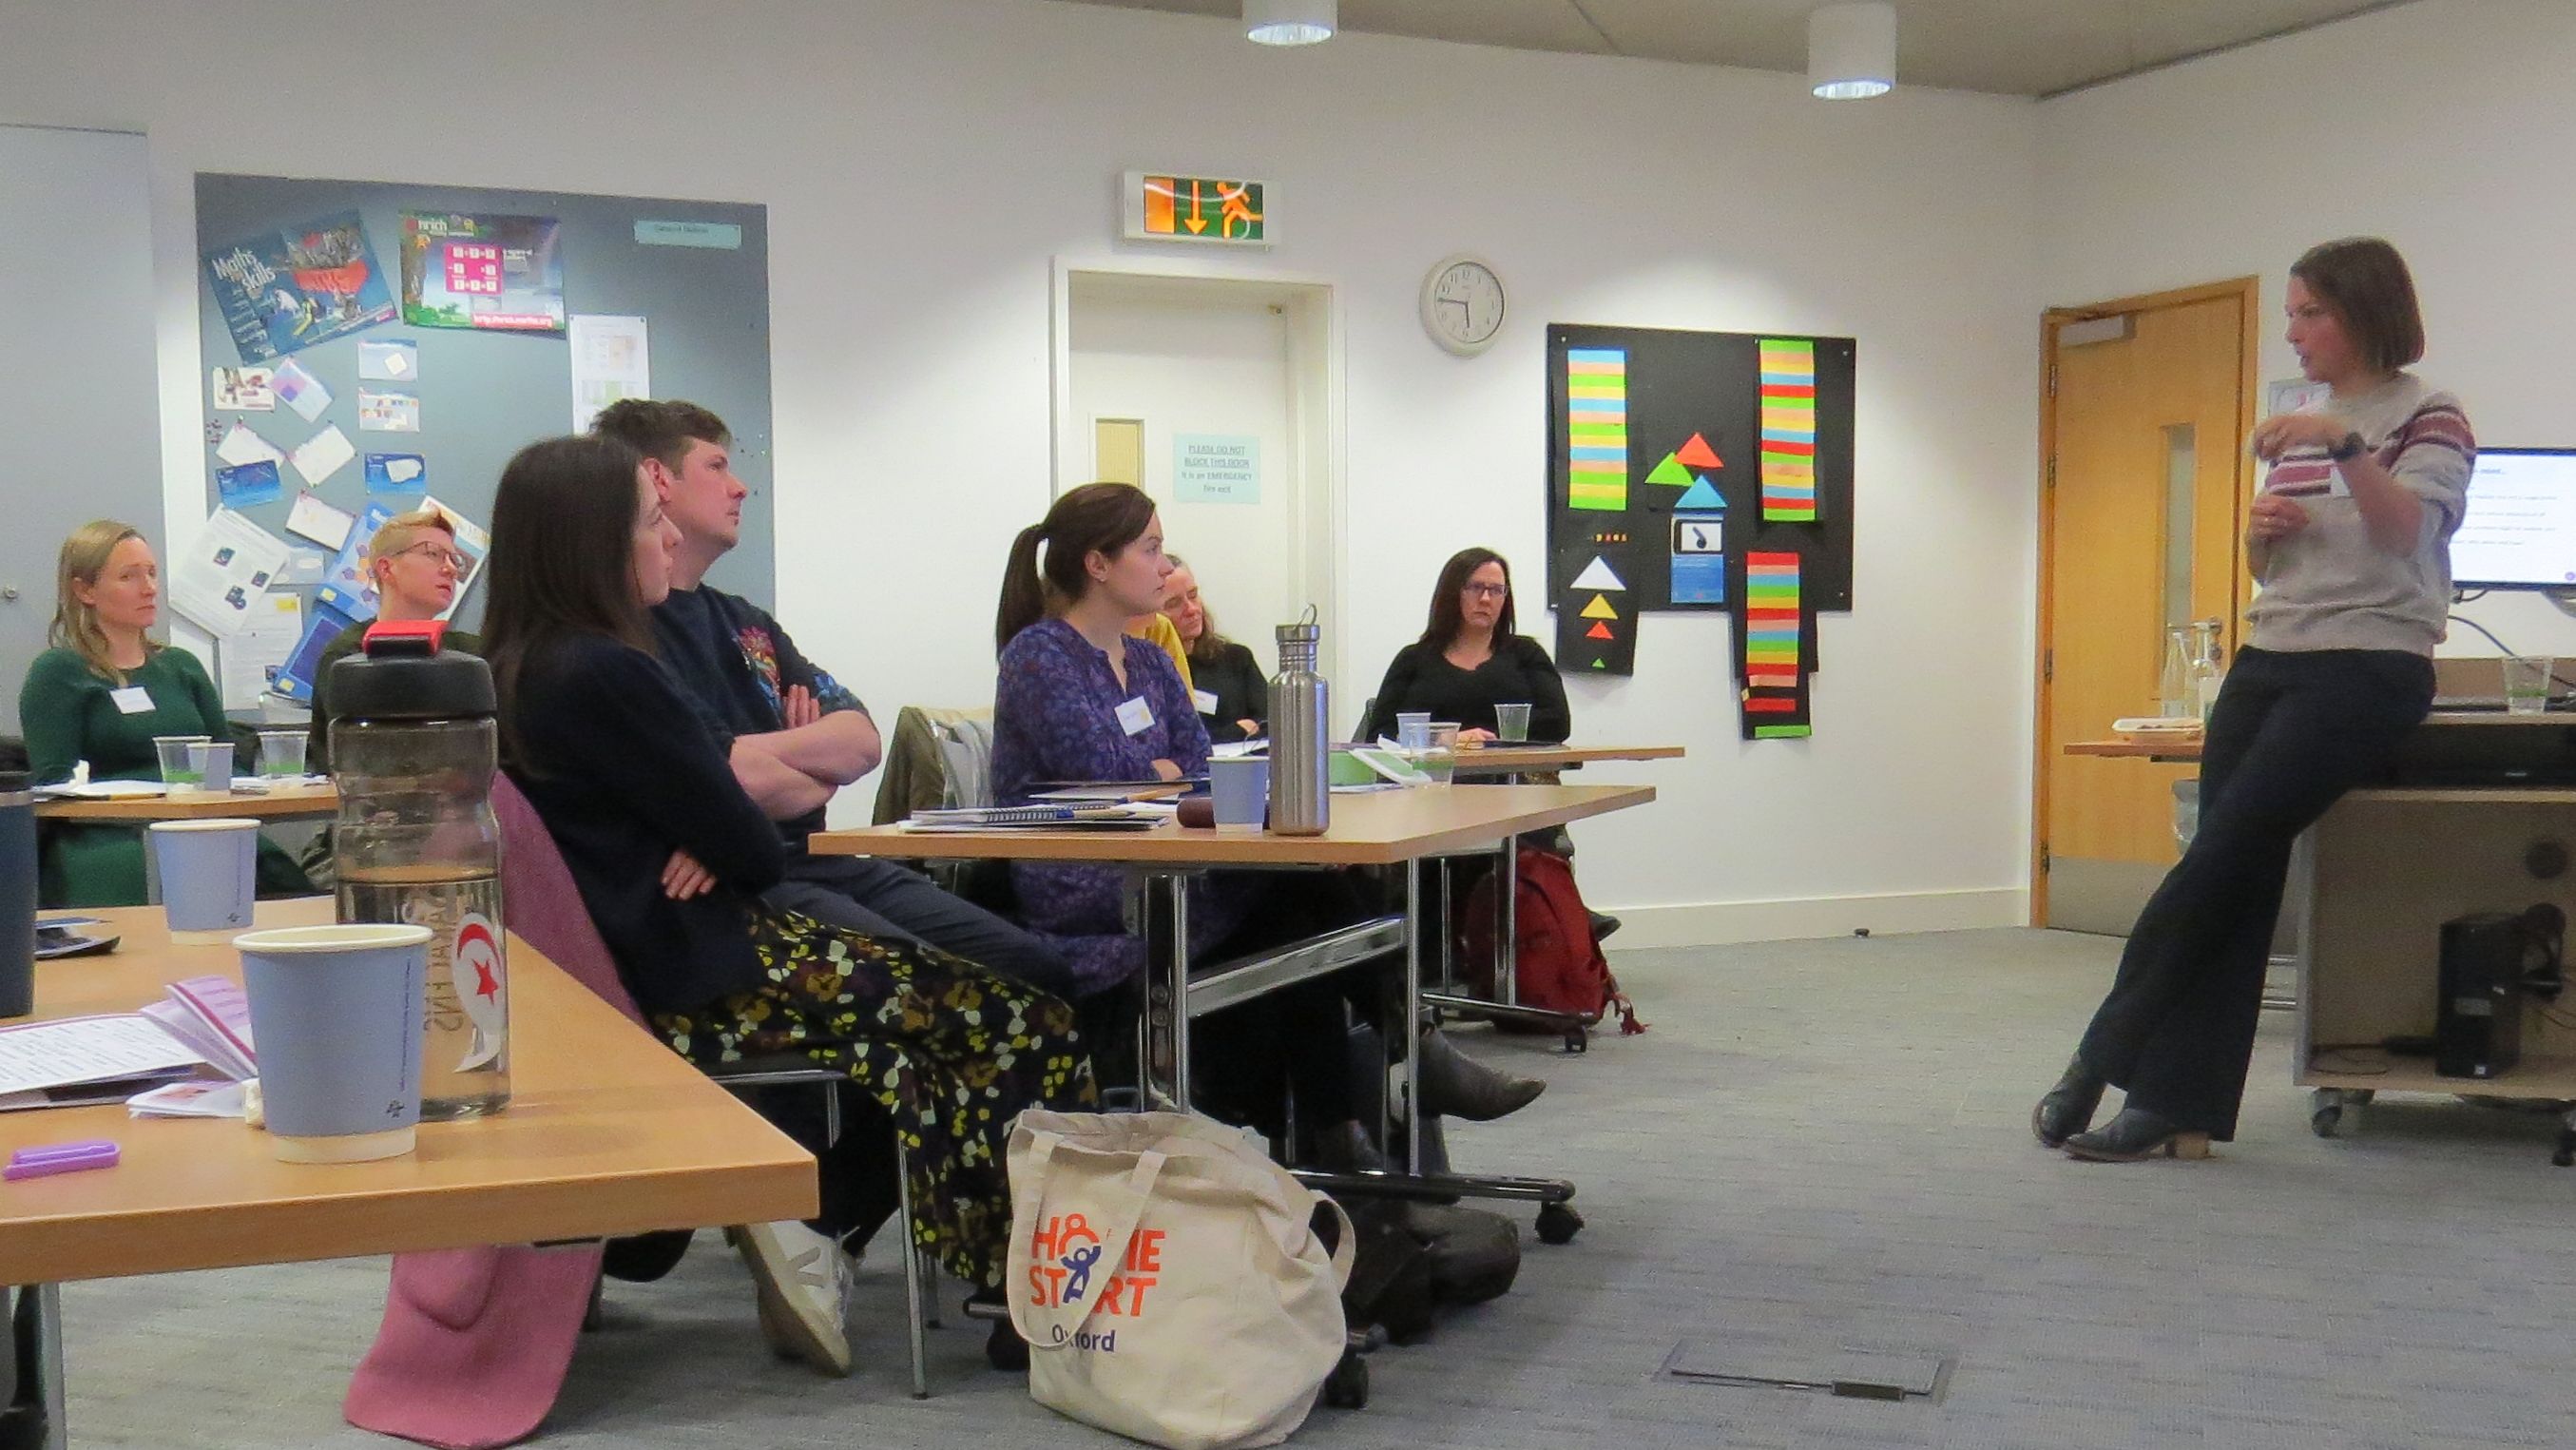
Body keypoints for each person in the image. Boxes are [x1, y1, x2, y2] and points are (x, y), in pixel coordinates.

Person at [480, 435, 1092, 1373]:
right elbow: (742, 836)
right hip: (721, 960)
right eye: (649, 525)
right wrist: (716, 827)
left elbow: (727, 811)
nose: (664, 545)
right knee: (1024, 1013)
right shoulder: (607, 669)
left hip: (683, 948)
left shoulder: (528, 665)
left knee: (940, 1024)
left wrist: (708, 822)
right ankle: (1032, 1289)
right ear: (593, 541)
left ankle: (857, 1235)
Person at [2035, 238, 2472, 1164]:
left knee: (2218, 856)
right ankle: (2170, 1103)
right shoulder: (2304, 423)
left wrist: (2347, 445)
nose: (2293, 332)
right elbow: (2272, 566)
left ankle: (2096, 1058)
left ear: (2361, 313)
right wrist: (2259, 533)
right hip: (2270, 656)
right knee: (2228, 875)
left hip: (2368, 667)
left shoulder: (2427, 415)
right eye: (2289, 313)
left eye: (2308, 312)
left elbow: (2404, 534)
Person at [990, 483, 1538, 1160]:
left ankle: (1344, 1120)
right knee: (1300, 893)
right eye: (1152, 549)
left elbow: (1193, 765)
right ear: (1098, 564)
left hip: (1171, 864)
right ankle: (1398, 1069)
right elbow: (1103, 767)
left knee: (1302, 892)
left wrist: (1160, 770)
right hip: (1092, 889)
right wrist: (1158, 770)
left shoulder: (1155, 661)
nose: (1166, 568)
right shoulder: (1039, 656)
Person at [588, 398, 1071, 996]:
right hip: (739, 877)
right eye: (716, 467)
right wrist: (802, 769)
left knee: (1036, 967)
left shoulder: (747, 624)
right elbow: (731, 778)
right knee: (946, 991)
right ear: (657, 478)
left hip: (819, 858)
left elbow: (859, 742)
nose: (740, 487)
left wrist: (750, 762)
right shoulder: (623, 637)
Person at [18, 521, 311, 906]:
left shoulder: (180, 667)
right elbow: (52, 785)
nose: (149, 588)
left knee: (284, 885)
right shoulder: (59, 672)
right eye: (129, 576)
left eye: (152, 573)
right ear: (85, 590)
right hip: (105, 833)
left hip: (199, 822)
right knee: (144, 879)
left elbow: (223, 759)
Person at [306, 507, 480, 771]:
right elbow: (361, 759)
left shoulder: (472, 655)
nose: (450, 569)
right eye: (433, 553)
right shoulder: (348, 658)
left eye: (455, 560)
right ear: (387, 569)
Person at [1359, 547, 1571, 744]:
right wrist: (1447, 739)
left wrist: (1486, 737)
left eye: (1496, 590)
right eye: (1476, 587)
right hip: (1431, 778)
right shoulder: (1413, 660)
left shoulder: (1527, 654)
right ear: (1452, 593)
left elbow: (1558, 724)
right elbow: (1378, 736)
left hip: (1513, 778)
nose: (1486, 599)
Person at [1161, 554, 1267, 744]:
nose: (1192, 609)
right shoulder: (1149, 672)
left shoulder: (1236, 658)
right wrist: (1236, 731)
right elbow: (1171, 744)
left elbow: (1270, 723)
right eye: (1174, 604)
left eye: (1193, 595)